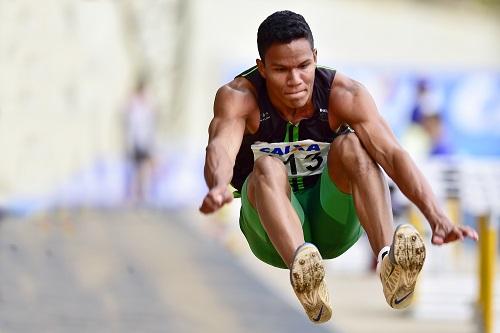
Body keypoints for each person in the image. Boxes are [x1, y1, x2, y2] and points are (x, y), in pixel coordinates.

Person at [199, 11, 478, 324]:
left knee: (354, 146)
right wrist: (217, 184)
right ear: (261, 67)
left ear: (315, 57)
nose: (295, 80)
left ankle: (389, 261)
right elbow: (221, 145)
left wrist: (437, 217)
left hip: (332, 221)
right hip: (270, 234)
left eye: (304, 66)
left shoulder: (343, 95)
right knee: (266, 167)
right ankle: (304, 271)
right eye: (280, 70)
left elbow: (392, 154)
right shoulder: (240, 97)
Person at [123, 78, 156, 205]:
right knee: (137, 168)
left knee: (144, 167)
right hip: (136, 141)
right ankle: (135, 193)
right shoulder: (135, 105)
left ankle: (142, 193)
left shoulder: (146, 105)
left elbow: (151, 121)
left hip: (145, 141)